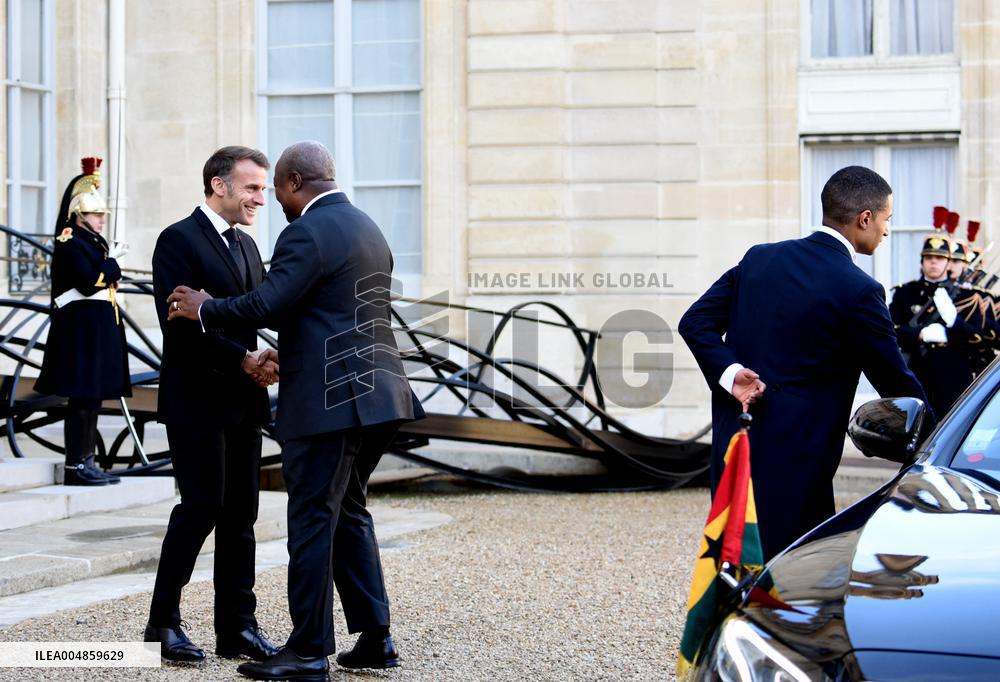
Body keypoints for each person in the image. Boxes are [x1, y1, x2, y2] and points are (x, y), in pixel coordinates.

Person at [166, 140, 425, 681]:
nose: (272, 200)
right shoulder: (366, 226)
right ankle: (376, 637)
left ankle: (308, 652)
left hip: (330, 403)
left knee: (311, 519)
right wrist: (287, 351)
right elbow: (336, 312)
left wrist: (205, 307)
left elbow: (269, 303)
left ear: (294, 183)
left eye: (273, 188)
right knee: (349, 510)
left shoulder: (304, 230)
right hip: (379, 396)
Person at [678, 165, 932, 562]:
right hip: (799, 468)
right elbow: (894, 380)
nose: (887, 231)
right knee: (791, 584)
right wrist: (945, 439)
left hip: (734, 450)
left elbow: (694, 323)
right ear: (865, 218)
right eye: (887, 220)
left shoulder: (759, 259)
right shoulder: (860, 291)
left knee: (732, 567)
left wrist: (730, 375)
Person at [144, 146, 280, 663]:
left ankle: (237, 628)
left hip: (244, 401)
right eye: (251, 187)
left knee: (242, 513)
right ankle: (161, 624)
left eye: (263, 189)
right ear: (218, 184)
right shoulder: (177, 240)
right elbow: (179, 327)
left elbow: (250, 315)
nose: (259, 198)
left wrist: (264, 358)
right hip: (197, 399)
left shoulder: (246, 246)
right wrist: (243, 357)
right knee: (200, 508)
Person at [36, 157, 129, 486]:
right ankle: (75, 464)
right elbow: (92, 280)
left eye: (102, 214)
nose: (101, 220)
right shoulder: (69, 240)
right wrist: (113, 265)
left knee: (93, 397)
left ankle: (87, 460)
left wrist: (109, 266)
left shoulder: (90, 241)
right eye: (95, 214)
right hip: (80, 331)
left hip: (96, 329)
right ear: (79, 213)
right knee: (81, 397)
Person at [890, 211, 985, 417]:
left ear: (948, 262)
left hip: (954, 375)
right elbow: (892, 331)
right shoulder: (905, 293)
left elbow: (978, 338)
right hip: (917, 374)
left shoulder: (967, 297)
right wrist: (920, 334)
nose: (934, 262)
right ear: (922, 261)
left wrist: (953, 323)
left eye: (939, 258)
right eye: (929, 257)